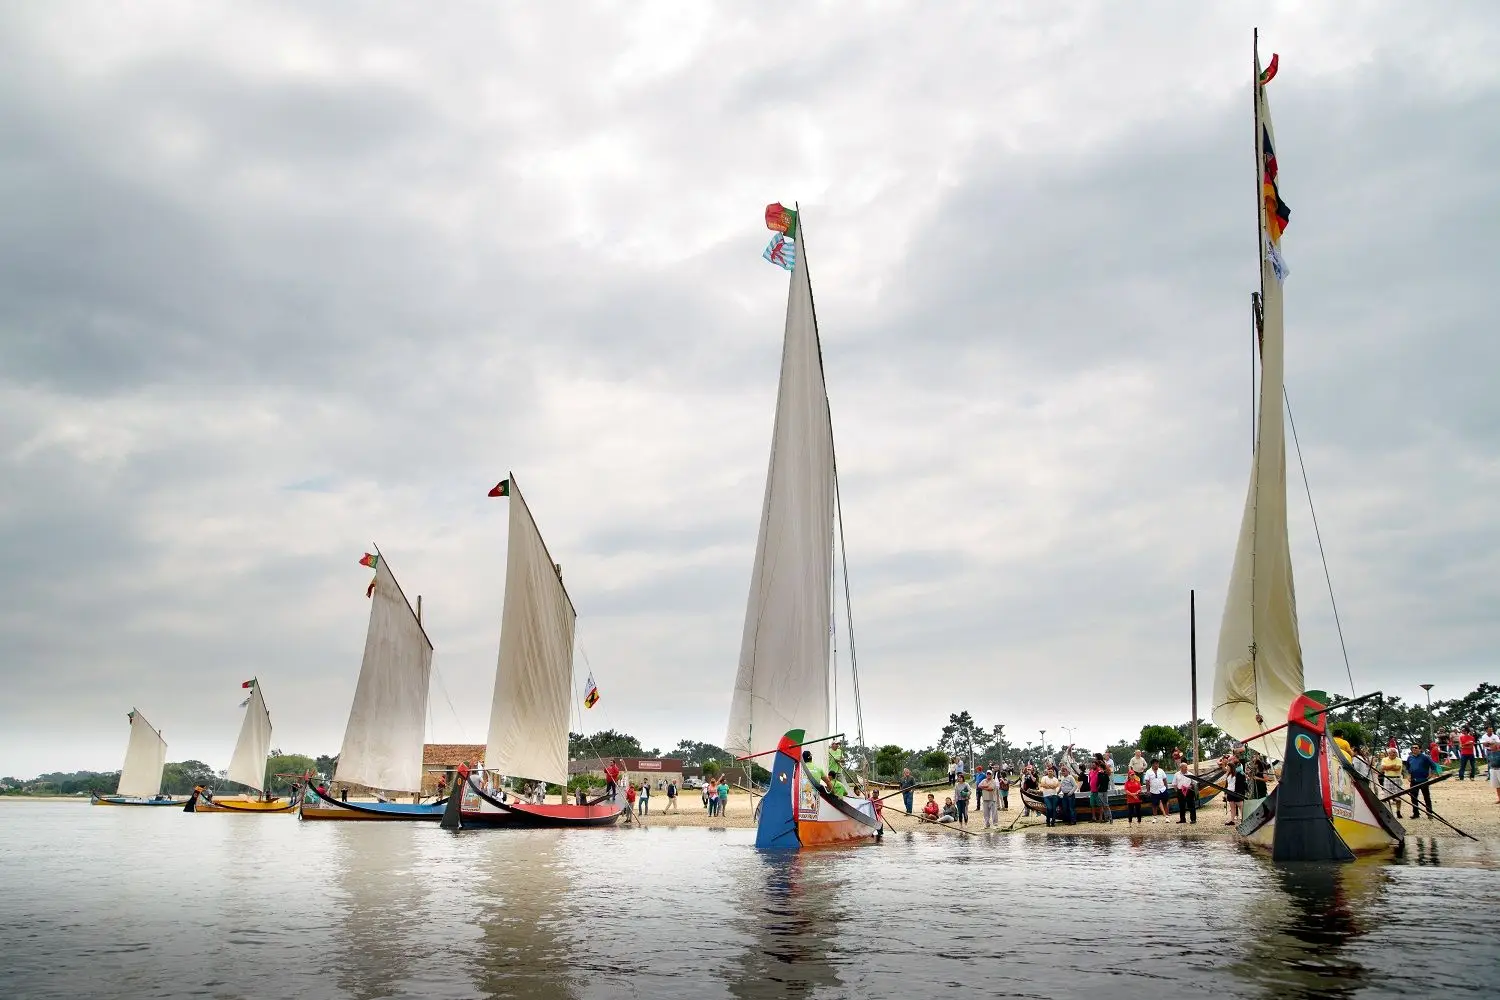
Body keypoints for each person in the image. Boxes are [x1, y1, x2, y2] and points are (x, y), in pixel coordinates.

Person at [1405, 743, 1437, 818]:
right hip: (1413, 780)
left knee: (1426, 797)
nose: (1414, 749)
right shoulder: (1410, 758)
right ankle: (1416, 813)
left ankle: (1429, 813)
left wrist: (1431, 775)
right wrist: (1408, 776)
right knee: (1413, 797)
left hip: (1423, 780)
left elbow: (1433, 766)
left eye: (1416, 748)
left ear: (1420, 749)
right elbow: (1407, 768)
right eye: (1413, 748)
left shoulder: (1425, 757)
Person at [1378, 746, 1405, 818]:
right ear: (1388, 753)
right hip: (1387, 779)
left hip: (1397, 779)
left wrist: (1388, 767)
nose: (1393, 754)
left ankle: (1398, 811)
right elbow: (1383, 768)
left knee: (1398, 797)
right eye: (1391, 753)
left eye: (1394, 753)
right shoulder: (1384, 759)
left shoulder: (1399, 760)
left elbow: (1397, 768)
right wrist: (1393, 766)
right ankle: (1389, 811)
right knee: (1387, 796)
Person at [1481, 726, 1500, 803]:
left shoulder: (1498, 752)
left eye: (1492, 745)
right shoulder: (1490, 753)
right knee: (1497, 786)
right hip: (1493, 769)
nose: (1490, 746)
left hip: (1499, 769)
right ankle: (1499, 799)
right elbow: (1485, 744)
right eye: (1490, 745)